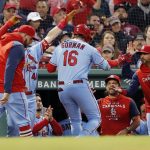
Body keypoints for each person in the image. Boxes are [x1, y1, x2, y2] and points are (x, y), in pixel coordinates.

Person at [0, 9, 78, 136]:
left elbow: (51, 36)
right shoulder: (8, 48)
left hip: (28, 97)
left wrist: (64, 21)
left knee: (25, 131)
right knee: (14, 131)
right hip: (10, 91)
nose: (31, 40)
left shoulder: (34, 50)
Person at [47, 24, 111, 136]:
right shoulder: (90, 48)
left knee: (75, 121)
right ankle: (80, 140)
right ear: (86, 36)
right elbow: (106, 67)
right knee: (95, 119)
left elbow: (50, 69)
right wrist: (120, 60)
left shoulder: (59, 47)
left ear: (73, 34)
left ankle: (76, 145)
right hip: (79, 85)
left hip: (62, 89)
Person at [0, 24, 37, 137]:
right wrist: (7, 90)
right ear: (25, 35)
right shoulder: (18, 46)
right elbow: (10, 67)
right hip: (13, 90)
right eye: (30, 38)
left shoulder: (3, 41)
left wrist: (8, 23)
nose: (30, 42)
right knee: (24, 124)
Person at [117, 45, 150, 135]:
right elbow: (130, 91)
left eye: (145, 54)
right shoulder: (138, 73)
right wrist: (128, 57)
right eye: (140, 54)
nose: (142, 56)